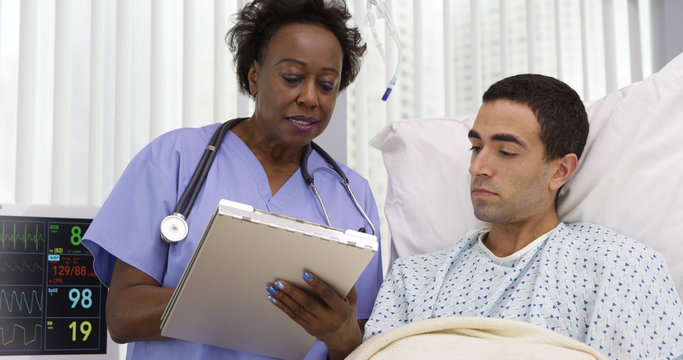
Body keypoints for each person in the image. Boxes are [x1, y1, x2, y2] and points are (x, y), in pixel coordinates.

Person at [82, 1, 383, 359]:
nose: (310, 98)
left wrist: (341, 336)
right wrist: (244, 302)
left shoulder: (352, 196)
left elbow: (366, 344)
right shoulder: (174, 160)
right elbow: (122, 315)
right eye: (292, 78)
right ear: (254, 75)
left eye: (327, 84)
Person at [363, 74, 683, 359]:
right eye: (476, 147)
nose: (477, 167)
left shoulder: (621, 269)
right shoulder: (414, 279)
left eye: (506, 152)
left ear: (560, 171)